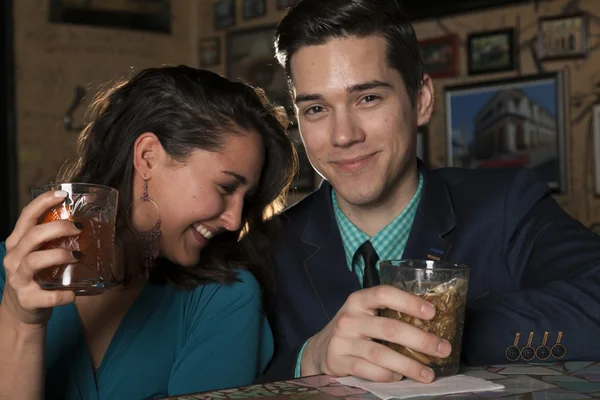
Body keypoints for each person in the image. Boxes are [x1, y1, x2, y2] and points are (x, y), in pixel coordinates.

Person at [259, 0, 600, 385]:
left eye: (368, 98)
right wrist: (309, 358)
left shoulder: (507, 206)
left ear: (421, 100)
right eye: (316, 109)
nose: (343, 135)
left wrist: (445, 329)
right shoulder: (266, 248)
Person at [0, 66, 296, 399]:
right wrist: (22, 323)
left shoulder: (223, 296)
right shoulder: (12, 274)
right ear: (148, 157)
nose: (234, 220)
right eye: (226, 186)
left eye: (247, 198)